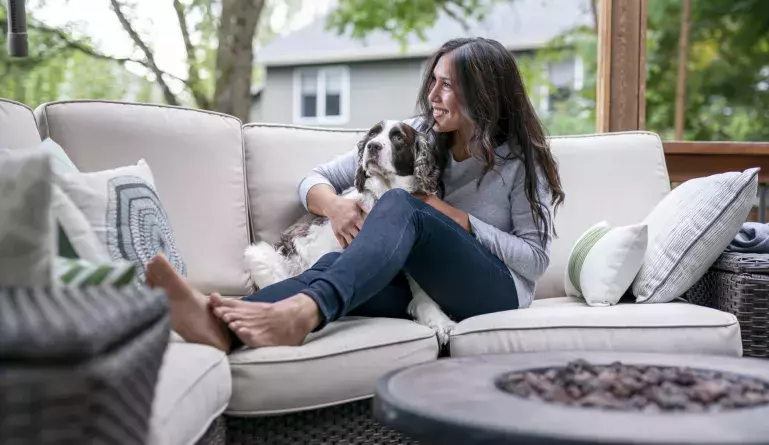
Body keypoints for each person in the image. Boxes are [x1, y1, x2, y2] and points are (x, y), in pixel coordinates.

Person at [145, 37, 565, 352]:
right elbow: (315, 179)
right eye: (433, 82)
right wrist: (335, 206)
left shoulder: (519, 162)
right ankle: (219, 325)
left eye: (448, 86)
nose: (433, 96)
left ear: (483, 94)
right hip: (425, 287)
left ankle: (304, 313)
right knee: (333, 262)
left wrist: (456, 218)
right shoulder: (417, 134)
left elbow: (534, 259)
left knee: (399, 201)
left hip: (495, 291)